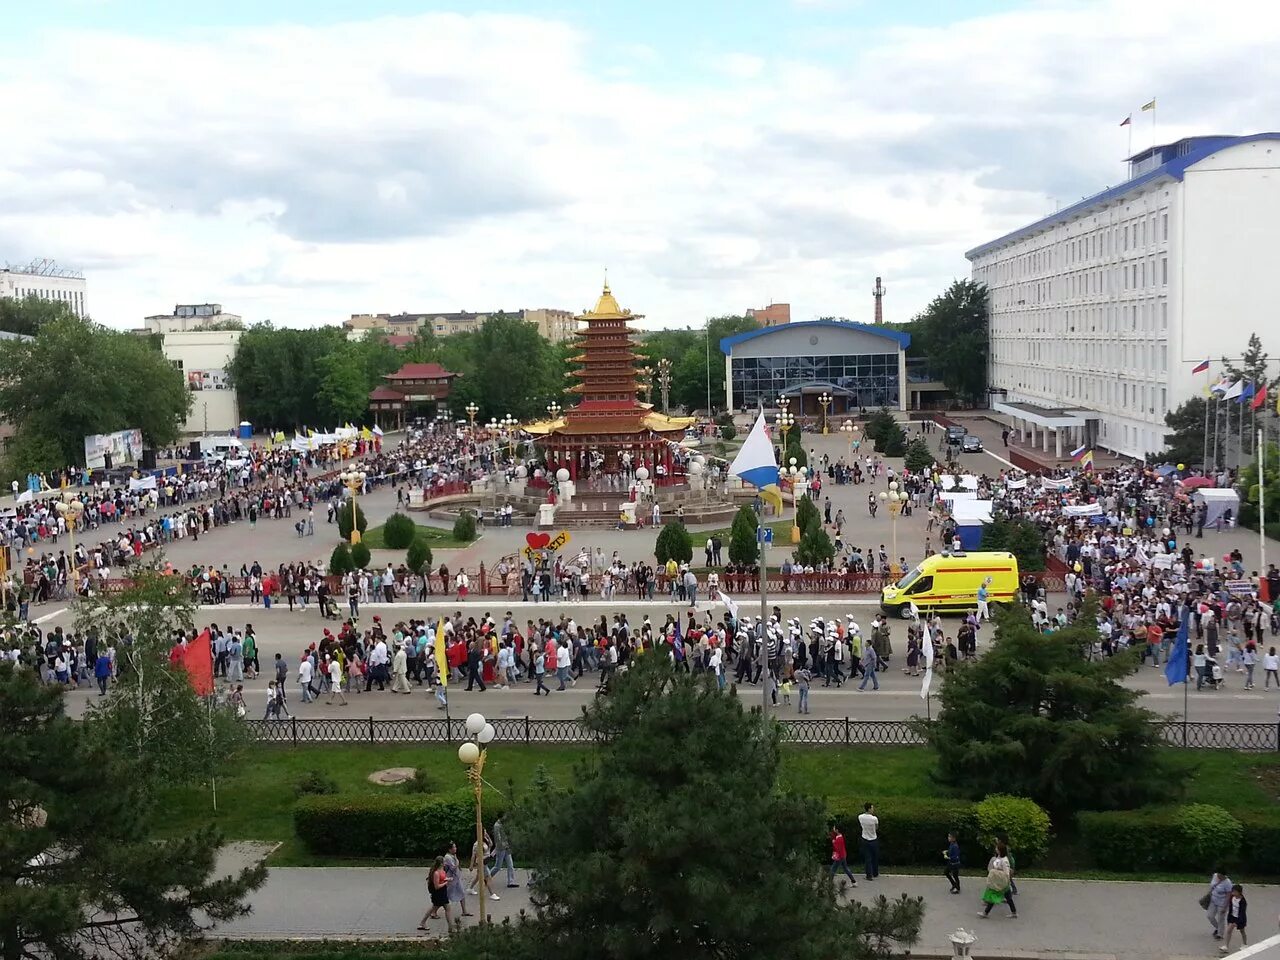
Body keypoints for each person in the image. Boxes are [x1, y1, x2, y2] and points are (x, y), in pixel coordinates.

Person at [979, 841, 1017, 919]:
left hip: (1002, 882)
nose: (995, 849)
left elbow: (1006, 873)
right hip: (999, 882)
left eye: (997, 848)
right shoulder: (999, 857)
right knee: (1008, 898)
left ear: (1000, 850)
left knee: (996, 896)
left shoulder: (1004, 860)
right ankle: (1014, 913)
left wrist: (995, 872)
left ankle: (985, 913)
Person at [418, 856, 453, 932]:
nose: (445, 863)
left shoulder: (442, 870)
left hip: (443, 892)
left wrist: (447, 879)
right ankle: (450, 928)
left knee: (434, 907)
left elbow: (442, 879)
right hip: (438, 893)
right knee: (447, 908)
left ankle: (422, 923)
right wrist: (446, 883)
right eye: (444, 862)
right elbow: (437, 886)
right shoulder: (436, 873)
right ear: (441, 863)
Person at [444, 842, 471, 924]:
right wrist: (457, 862)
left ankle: (464, 911)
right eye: (454, 847)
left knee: (462, 893)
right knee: (445, 896)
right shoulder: (448, 857)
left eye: (455, 847)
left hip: (456, 879)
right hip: (450, 880)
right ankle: (434, 910)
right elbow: (453, 868)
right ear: (449, 849)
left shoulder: (453, 856)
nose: (455, 848)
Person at [488, 815, 519, 888]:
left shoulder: (503, 825)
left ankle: (511, 882)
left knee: (510, 865)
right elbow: (497, 839)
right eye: (504, 817)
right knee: (497, 866)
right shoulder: (497, 826)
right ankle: (487, 877)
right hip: (500, 849)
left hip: (506, 847)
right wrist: (502, 847)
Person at [1207, 869, 1233, 941]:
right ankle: (1218, 928)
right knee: (1210, 916)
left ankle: (1220, 934)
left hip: (1222, 902)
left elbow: (1228, 895)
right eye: (1218, 874)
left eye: (1220, 875)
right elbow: (1212, 886)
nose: (1218, 876)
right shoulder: (1215, 876)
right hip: (1213, 900)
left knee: (1221, 918)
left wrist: (1225, 906)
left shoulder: (1228, 883)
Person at [1221, 883, 1248, 954]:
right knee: (1229, 930)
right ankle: (1226, 946)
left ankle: (1245, 944)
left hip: (1240, 918)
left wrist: (1238, 922)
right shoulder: (1232, 897)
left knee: (1242, 931)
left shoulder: (1243, 901)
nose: (1233, 893)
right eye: (1233, 891)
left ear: (1239, 892)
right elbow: (1230, 906)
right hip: (1232, 917)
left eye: (1235, 891)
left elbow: (1242, 912)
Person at [858, 802, 879, 880]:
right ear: (869, 809)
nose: (873, 809)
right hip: (873, 839)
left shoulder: (860, 817)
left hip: (865, 839)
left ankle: (869, 875)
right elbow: (876, 827)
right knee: (875, 857)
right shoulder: (874, 819)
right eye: (872, 808)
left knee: (868, 858)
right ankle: (875, 873)